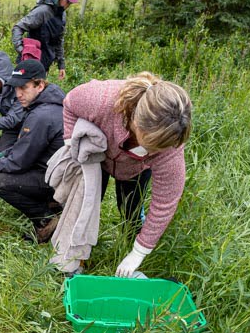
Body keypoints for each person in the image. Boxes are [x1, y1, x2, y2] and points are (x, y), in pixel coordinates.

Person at [61, 73, 192, 277]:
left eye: (159, 149)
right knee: (86, 206)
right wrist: (70, 143)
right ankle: (77, 257)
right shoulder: (101, 99)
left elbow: (165, 203)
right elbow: (69, 103)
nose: (154, 153)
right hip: (97, 156)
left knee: (131, 209)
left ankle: (128, 241)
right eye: (151, 146)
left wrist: (138, 253)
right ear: (136, 123)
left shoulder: (171, 145)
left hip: (135, 170)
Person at [0, 59, 66, 242]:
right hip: (57, 170)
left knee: (1, 182)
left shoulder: (41, 115)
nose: (18, 94)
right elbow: (28, 145)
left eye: (23, 88)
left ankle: (46, 218)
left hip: (57, 177)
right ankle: (53, 203)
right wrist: (2, 154)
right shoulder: (48, 103)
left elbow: (19, 162)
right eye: (16, 88)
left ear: (39, 85)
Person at [11, 0, 79, 81]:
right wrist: (21, 50)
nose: (69, 4)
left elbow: (59, 41)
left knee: (39, 95)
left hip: (43, 67)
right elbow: (18, 27)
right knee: (22, 95)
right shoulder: (43, 11)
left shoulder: (62, 16)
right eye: (68, 0)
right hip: (28, 65)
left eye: (71, 2)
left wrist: (61, 65)